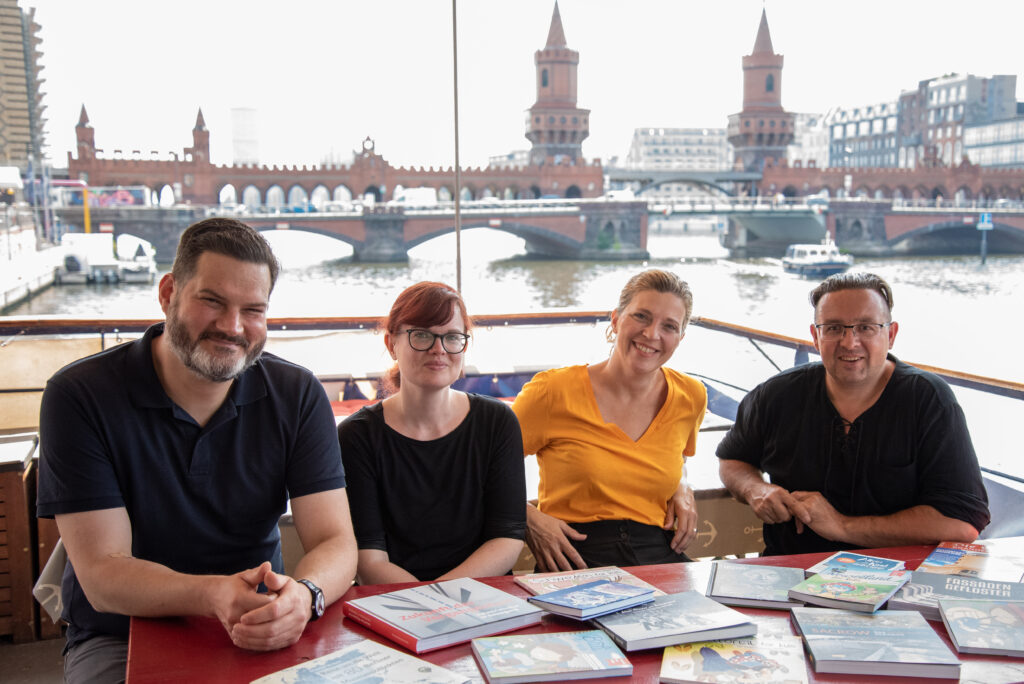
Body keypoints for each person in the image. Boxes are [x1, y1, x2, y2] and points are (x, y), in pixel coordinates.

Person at [36, 218, 358, 683]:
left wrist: (305, 596)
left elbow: (335, 541)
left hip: (262, 623)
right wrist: (213, 595)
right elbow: (104, 575)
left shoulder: (297, 393)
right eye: (212, 301)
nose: (233, 327)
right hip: (120, 631)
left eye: (253, 310)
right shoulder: (79, 395)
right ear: (169, 292)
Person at [717, 271, 990, 556]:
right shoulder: (776, 395)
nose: (849, 342)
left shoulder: (928, 400)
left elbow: (962, 522)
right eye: (834, 328)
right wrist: (755, 489)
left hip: (901, 581)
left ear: (891, 334)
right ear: (815, 336)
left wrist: (842, 526)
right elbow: (733, 459)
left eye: (866, 327)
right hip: (790, 574)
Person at [512, 269, 707, 571]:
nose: (652, 334)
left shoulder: (691, 395)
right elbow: (482, 466)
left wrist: (681, 484)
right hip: (575, 562)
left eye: (669, 326)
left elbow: (675, 454)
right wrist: (528, 519)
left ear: (680, 338)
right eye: (641, 316)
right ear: (616, 320)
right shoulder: (553, 391)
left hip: (658, 558)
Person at [338, 282, 526, 583]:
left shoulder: (496, 422)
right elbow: (369, 558)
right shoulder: (357, 436)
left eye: (452, 337)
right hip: (391, 600)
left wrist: (443, 600)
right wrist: (430, 605)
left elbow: (507, 536)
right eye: (422, 335)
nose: (439, 349)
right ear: (391, 344)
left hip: (483, 596)